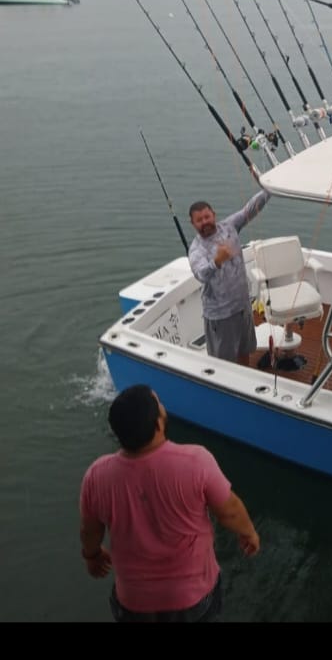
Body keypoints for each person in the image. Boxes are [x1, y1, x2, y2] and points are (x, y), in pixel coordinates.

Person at [79, 384, 260, 623]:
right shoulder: (196, 461)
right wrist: (249, 533)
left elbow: (90, 530)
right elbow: (230, 512)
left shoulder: (97, 475)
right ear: (157, 424)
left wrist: (92, 556)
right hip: (192, 599)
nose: (163, 408)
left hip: (134, 603)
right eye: (159, 404)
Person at [188, 186, 270, 365]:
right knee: (224, 364)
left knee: (245, 351)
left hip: (243, 307)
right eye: (199, 220)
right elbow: (200, 274)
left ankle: (246, 381)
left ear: (214, 215)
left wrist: (268, 188)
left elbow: (250, 209)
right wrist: (216, 261)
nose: (204, 222)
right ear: (193, 224)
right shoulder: (196, 250)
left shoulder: (230, 226)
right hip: (221, 315)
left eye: (207, 217)